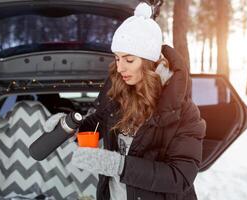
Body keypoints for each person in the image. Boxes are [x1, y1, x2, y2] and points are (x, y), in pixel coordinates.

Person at [44, 2, 206, 200]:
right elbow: (97, 125)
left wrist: (117, 165)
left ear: (151, 62)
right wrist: (69, 127)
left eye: (129, 60)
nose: (120, 68)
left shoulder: (184, 113)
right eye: (117, 58)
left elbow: (179, 176)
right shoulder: (120, 96)